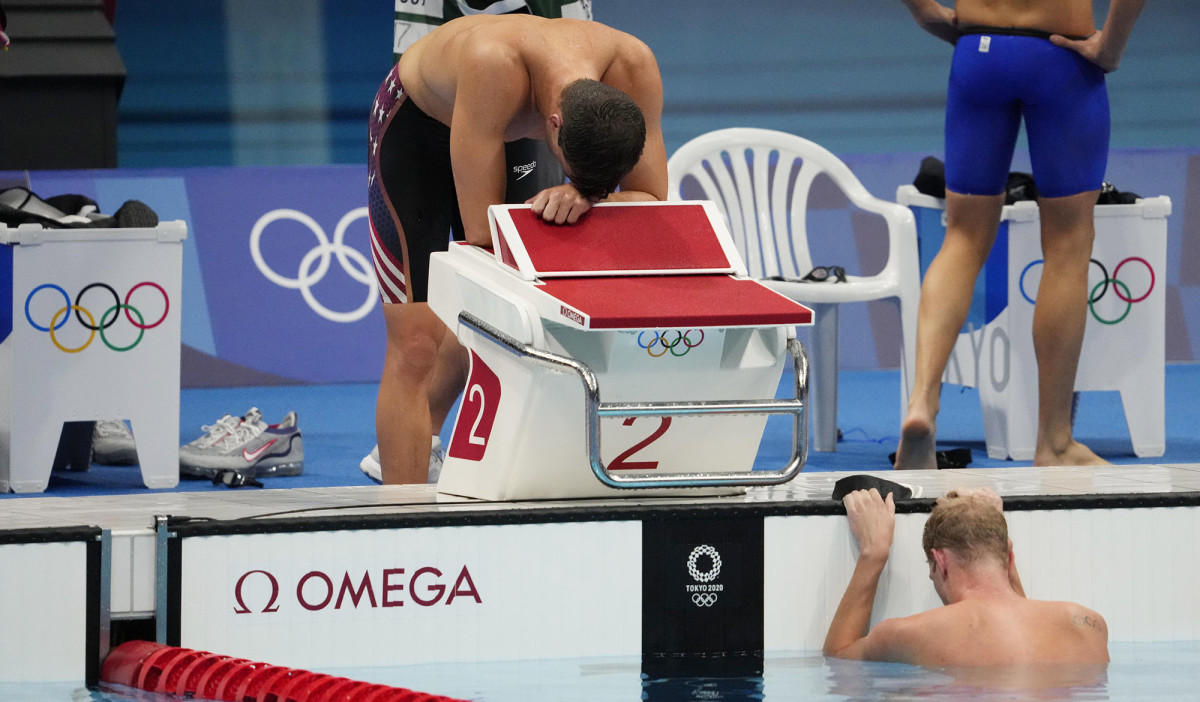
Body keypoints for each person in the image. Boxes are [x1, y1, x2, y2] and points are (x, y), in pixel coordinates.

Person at [365, 14, 666, 484]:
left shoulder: (633, 65)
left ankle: (422, 435)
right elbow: (481, 240)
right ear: (554, 126)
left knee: (494, 315)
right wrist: (583, 199)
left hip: (505, 126)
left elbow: (650, 197)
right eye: (576, 174)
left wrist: (584, 194)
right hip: (417, 127)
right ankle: (401, 510)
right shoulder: (495, 64)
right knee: (418, 344)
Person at [892, 0, 1147, 469]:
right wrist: (1111, 43)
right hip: (1061, 56)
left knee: (963, 238)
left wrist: (926, 11)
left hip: (979, 51)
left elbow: (928, 11)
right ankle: (1053, 442)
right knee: (1068, 245)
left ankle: (922, 404)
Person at [823, 487, 1109, 666]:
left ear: (940, 562)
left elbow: (838, 660)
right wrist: (995, 530)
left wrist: (873, 552)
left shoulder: (908, 635)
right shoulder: (1089, 626)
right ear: (1009, 557)